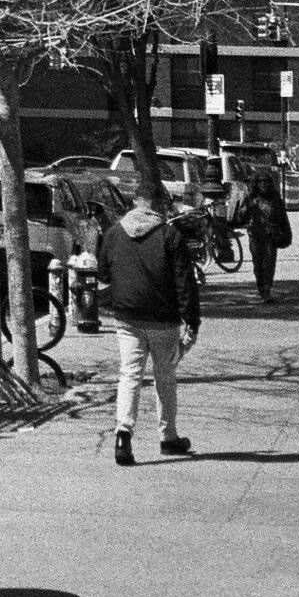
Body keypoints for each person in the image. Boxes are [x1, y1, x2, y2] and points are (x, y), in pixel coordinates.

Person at [95, 185, 201, 466]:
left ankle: (123, 435)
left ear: (135, 202)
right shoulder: (170, 235)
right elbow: (184, 282)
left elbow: (103, 273)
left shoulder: (115, 232)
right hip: (163, 318)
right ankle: (168, 436)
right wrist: (192, 320)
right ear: (160, 205)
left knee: (129, 374)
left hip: (127, 316)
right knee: (164, 376)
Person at [243, 169, 293, 303]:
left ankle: (267, 290)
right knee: (258, 264)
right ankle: (261, 288)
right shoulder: (251, 199)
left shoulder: (275, 199)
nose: (264, 184)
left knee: (269, 264)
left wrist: (286, 234)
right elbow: (241, 216)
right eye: (261, 181)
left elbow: (283, 218)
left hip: (271, 236)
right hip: (255, 235)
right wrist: (249, 207)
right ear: (257, 184)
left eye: (266, 181)